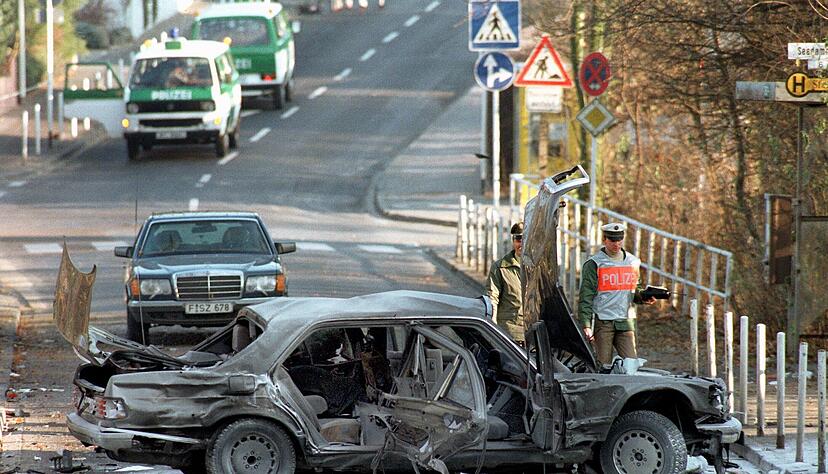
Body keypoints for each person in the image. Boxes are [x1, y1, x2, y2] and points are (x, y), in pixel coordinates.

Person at [578, 222, 656, 365]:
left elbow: (634, 289)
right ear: (604, 239)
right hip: (603, 321)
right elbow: (586, 296)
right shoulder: (594, 263)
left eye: (620, 240)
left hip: (625, 321)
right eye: (613, 240)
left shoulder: (633, 262)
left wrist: (644, 297)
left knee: (631, 365)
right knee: (603, 366)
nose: (617, 244)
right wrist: (586, 324)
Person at [486, 222, 524, 342]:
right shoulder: (500, 267)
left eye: (525, 239)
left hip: (535, 334)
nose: (521, 244)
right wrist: (493, 326)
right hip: (510, 334)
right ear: (513, 241)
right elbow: (492, 298)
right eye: (518, 239)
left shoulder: (539, 267)